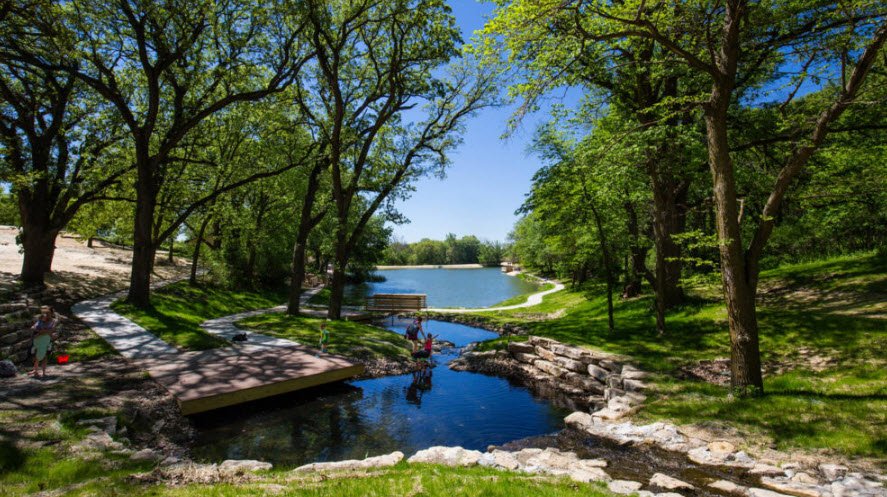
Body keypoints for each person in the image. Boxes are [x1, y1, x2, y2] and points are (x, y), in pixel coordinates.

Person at [30, 305, 58, 378]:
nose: (46, 315)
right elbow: (33, 328)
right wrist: (40, 332)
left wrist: (42, 332)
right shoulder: (41, 319)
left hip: (46, 340)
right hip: (38, 340)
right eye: (45, 313)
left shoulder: (54, 321)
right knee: (36, 356)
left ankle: (44, 372)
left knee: (45, 356)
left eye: (48, 313)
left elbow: (52, 330)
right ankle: (35, 371)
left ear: (52, 313)